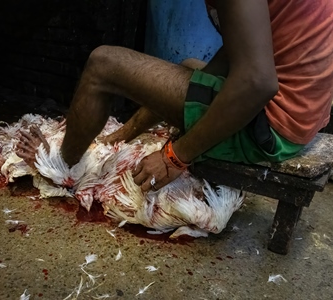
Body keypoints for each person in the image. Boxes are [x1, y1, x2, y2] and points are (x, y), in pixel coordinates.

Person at [16, 0, 333, 193]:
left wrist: (175, 156)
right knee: (185, 68)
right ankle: (118, 137)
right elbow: (244, 49)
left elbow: (257, 82)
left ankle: (63, 167)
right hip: (305, 112)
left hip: (272, 126)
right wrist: (196, 86)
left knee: (103, 64)